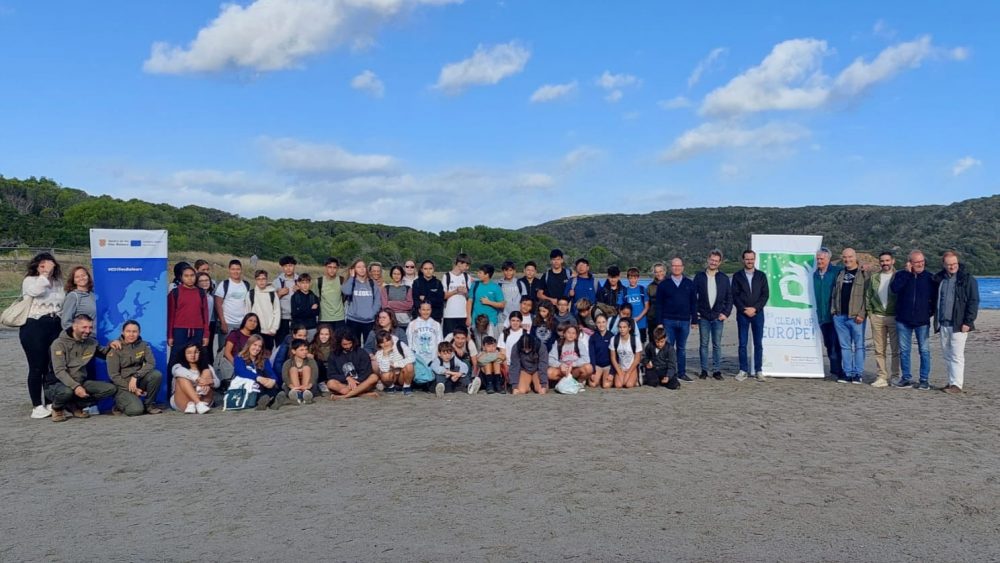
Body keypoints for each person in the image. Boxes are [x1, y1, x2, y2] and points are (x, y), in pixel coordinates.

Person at [45, 314, 118, 422]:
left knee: (110, 389)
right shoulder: (59, 344)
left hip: (81, 381)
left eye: (90, 327)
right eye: (84, 327)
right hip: (58, 383)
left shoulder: (92, 342)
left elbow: (105, 354)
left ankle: (75, 406)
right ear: (74, 327)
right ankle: (57, 408)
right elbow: (59, 371)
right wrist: (76, 387)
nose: (88, 331)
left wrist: (112, 344)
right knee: (66, 392)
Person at [20, 252, 65, 419]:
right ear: (37, 266)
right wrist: (44, 275)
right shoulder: (30, 280)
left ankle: (50, 401)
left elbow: (62, 303)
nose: (47, 268)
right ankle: (36, 405)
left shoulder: (58, 283)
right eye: (42, 265)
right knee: (37, 366)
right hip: (35, 325)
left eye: (50, 265)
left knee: (52, 365)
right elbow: (36, 292)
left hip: (55, 324)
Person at [933, 251, 979, 394]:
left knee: (957, 355)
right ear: (944, 265)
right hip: (943, 323)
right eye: (949, 264)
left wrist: (968, 321)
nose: (952, 267)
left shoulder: (967, 279)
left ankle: (957, 385)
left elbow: (973, 301)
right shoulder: (940, 279)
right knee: (947, 354)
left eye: (954, 264)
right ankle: (951, 381)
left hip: (959, 324)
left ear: (957, 263)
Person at [890, 250, 935, 390]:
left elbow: (935, 299)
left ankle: (924, 380)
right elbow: (894, 289)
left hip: (922, 321)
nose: (920, 264)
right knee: (904, 350)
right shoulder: (901, 275)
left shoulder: (930, 278)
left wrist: (928, 313)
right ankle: (906, 378)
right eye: (917, 262)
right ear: (910, 263)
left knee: (924, 350)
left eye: (922, 261)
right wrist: (908, 274)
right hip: (903, 320)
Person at [107, 320, 163, 416]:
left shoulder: (144, 345)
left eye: (134, 331)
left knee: (156, 375)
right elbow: (114, 376)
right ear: (122, 332)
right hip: (122, 385)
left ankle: (149, 405)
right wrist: (133, 389)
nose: (131, 334)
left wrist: (136, 376)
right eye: (128, 331)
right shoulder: (116, 347)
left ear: (139, 333)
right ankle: (119, 404)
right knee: (135, 411)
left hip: (137, 380)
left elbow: (151, 363)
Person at [831, 248, 870, 385]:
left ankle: (857, 374)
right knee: (845, 346)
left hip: (856, 317)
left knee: (859, 346)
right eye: (845, 257)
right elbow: (835, 293)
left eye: (850, 257)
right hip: (840, 316)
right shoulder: (840, 273)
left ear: (855, 257)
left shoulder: (863, 274)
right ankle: (847, 373)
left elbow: (867, 296)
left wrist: (862, 313)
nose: (848, 260)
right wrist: (834, 311)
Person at [657, 257, 697, 382]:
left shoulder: (689, 283)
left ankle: (682, 372)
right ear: (671, 267)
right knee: (669, 348)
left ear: (683, 267)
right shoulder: (664, 284)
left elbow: (694, 303)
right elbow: (659, 304)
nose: (676, 268)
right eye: (674, 265)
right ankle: (669, 373)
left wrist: (695, 320)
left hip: (685, 321)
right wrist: (659, 323)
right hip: (668, 320)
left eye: (679, 266)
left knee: (682, 348)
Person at [693, 250, 732, 380]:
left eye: (716, 260)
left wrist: (725, 313)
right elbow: (693, 296)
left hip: (718, 317)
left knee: (716, 345)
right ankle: (704, 370)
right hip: (703, 316)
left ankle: (716, 370)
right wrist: (695, 312)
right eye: (712, 260)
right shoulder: (699, 277)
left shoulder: (724, 278)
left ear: (719, 262)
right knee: (703, 344)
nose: (713, 262)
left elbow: (729, 298)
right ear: (708, 260)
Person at [732, 250, 769, 381]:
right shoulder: (737, 276)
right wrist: (743, 309)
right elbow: (734, 295)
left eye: (752, 259)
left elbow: (765, 295)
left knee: (758, 343)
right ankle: (743, 370)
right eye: (747, 259)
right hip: (743, 314)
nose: (749, 261)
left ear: (755, 259)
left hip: (757, 314)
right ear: (743, 260)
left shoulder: (761, 276)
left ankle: (758, 370)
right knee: (742, 343)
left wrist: (755, 308)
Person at [865, 251, 899, 388]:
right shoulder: (874, 278)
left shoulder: (898, 277)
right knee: (879, 350)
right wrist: (870, 313)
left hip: (894, 317)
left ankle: (895, 376)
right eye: (882, 261)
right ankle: (881, 376)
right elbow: (868, 296)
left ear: (893, 261)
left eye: (887, 260)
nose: (885, 263)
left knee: (896, 350)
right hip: (877, 317)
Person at [813, 247, 845, 380]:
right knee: (828, 344)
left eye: (822, 258)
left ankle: (838, 371)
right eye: (818, 258)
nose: (819, 261)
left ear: (828, 259)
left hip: (834, 315)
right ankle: (836, 370)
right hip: (821, 316)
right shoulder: (815, 274)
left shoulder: (837, 272)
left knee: (835, 345)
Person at [232, 334, 285, 410]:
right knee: (258, 373)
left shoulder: (264, 359)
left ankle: (269, 401)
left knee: (267, 376)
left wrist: (273, 380)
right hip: (247, 385)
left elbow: (271, 372)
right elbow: (241, 371)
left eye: (259, 346)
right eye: (255, 345)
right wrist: (258, 378)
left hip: (263, 385)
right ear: (249, 345)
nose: (257, 348)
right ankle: (269, 401)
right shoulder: (239, 357)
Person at [168, 264, 210, 354]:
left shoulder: (201, 292)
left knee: (196, 358)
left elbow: (205, 315)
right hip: (179, 330)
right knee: (176, 358)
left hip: (198, 331)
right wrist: (170, 335)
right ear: (181, 277)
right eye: (186, 276)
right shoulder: (175, 292)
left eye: (192, 275)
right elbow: (171, 316)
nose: (190, 278)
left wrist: (206, 334)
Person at [326, 329, 379, 399]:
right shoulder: (334, 355)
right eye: (345, 344)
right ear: (339, 343)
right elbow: (331, 374)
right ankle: (360, 394)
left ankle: (345, 396)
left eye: (350, 343)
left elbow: (366, 372)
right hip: (344, 384)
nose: (348, 346)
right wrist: (347, 378)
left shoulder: (361, 352)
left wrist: (356, 382)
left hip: (361, 383)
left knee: (374, 377)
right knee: (330, 383)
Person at [170, 343, 218, 414]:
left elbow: (218, 383)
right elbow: (178, 372)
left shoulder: (207, 366)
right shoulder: (178, 366)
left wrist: (209, 382)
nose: (193, 355)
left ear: (200, 353)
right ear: (184, 354)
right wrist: (198, 379)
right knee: (181, 378)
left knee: (207, 371)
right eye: (189, 353)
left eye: (196, 352)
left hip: (203, 397)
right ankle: (198, 403)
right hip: (183, 400)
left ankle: (196, 404)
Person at [342, 259, 384, 341]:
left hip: (369, 321)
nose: (362, 269)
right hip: (353, 320)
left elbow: (377, 301)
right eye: (358, 267)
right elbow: (346, 291)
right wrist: (351, 277)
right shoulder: (351, 282)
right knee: (353, 345)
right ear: (354, 269)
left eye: (363, 267)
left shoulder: (372, 283)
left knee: (369, 346)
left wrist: (372, 313)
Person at [214, 260, 251, 350]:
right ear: (229, 270)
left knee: (240, 349)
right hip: (227, 323)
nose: (235, 271)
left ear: (241, 270)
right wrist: (223, 322)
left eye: (238, 269)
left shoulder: (246, 285)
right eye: (233, 269)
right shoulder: (224, 284)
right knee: (224, 349)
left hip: (241, 324)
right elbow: (218, 303)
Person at [407, 302, 444, 393]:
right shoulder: (412, 324)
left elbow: (440, 341)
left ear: (431, 310)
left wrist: (439, 356)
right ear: (419, 310)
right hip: (418, 358)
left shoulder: (436, 324)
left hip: (432, 357)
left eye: (428, 309)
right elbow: (409, 342)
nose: (426, 312)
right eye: (423, 309)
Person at [249, 269, 281, 351]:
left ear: (267, 280)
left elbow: (277, 312)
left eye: (263, 279)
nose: (261, 281)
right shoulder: (251, 294)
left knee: (267, 354)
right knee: (254, 352)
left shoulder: (272, 293)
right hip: (255, 330)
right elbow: (248, 312)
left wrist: (274, 328)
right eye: (258, 279)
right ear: (255, 280)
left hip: (268, 331)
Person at [467, 264, 505, 331]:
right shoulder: (475, 285)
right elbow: (469, 301)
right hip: (475, 321)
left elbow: (502, 305)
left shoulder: (496, 287)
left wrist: (489, 302)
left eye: (480, 273)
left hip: (491, 322)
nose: (478, 274)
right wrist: (469, 317)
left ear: (487, 275)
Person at [442, 254, 473, 335]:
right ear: (459, 264)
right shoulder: (446, 276)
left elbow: (470, 298)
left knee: (462, 338)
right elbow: (443, 296)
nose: (467, 268)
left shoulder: (467, 277)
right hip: (449, 315)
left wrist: (466, 292)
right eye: (466, 265)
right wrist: (455, 291)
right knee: (449, 338)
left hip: (463, 314)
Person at [282, 338, 317, 404]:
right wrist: (292, 387)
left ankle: (305, 394)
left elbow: (314, 374)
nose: (305, 352)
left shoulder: (310, 361)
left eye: (306, 349)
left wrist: (308, 386)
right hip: (294, 386)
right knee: (293, 369)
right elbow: (285, 377)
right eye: (301, 350)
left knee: (306, 368)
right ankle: (298, 394)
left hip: (307, 386)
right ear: (294, 351)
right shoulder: (288, 363)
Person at [60, 266, 95, 330]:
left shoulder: (93, 295)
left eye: (83, 275)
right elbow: (66, 322)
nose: (81, 278)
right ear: (74, 281)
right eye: (77, 277)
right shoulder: (73, 296)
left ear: (88, 276)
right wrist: (76, 335)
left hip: (98, 336)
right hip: (85, 337)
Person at [610, 318, 642, 389]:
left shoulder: (635, 340)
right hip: (620, 367)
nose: (622, 329)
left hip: (632, 367)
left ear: (629, 328)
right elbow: (613, 358)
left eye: (624, 327)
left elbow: (637, 359)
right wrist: (619, 372)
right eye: (620, 327)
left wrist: (628, 373)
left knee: (629, 385)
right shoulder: (614, 339)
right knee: (618, 385)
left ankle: (636, 377)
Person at [273, 256, 298, 344]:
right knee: (281, 344)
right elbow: (270, 301)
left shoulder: (300, 280)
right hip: (281, 318)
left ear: (294, 266)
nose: (288, 268)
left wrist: (300, 291)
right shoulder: (276, 282)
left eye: (290, 265)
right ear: (282, 267)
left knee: (296, 344)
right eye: (285, 266)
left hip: (296, 318)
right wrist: (279, 294)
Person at [317, 257, 346, 331]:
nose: (332, 270)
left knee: (339, 341)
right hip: (324, 318)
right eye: (329, 267)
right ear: (325, 267)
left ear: (337, 268)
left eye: (334, 267)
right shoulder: (319, 281)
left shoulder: (341, 280)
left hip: (339, 318)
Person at [623, 267, 650, 343]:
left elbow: (647, 306)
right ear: (628, 278)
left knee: (641, 344)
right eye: (630, 278)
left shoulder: (642, 289)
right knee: (630, 344)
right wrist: (628, 319)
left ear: (638, 278)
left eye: (635, 278)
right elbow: (621, 308)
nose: (633, 280)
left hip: (642, 324)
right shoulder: (624, 291)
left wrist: (638, 318)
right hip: (629, 324)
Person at [290, 273, 320, 341]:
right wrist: (310, 309)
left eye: (307, 282)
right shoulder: (294, 297)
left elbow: (317, 313)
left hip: (311, 327)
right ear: (298, 284)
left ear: (310, 283)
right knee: (298, 347)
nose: (305, 285)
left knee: (311, 347)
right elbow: (295, 314)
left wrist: (301, 310)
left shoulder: (314, 297)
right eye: (303, 283)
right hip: (298, 328)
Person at [196, 272, 217, 364]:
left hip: (206, 328)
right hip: (196, 329)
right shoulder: (195, 296)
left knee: (207, 351)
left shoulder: (210, 297)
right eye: (201, 281)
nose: (205, 282)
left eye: (207, 280)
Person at [588, 314, 613, 388]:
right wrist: (593, 371)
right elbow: (592, 355)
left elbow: (615, 357)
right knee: (592, 384)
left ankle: (605, 378)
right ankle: (599, 377)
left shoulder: (612, 336)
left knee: (606, 386)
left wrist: (612, 373)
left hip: (608, 366)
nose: (601, 324)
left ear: (606, 322)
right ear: (595, 323)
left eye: (603, 322)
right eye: (598, 322)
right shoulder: (593, 337)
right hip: (597, 366)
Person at [645, 262, 667, 344]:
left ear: (664, 271)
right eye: (656, 272)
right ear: (654, 273)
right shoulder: (650, 287)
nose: (659, 274)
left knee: (665, 343)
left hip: (667, 319)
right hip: (652, 319)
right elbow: (647, 304)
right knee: (652, 342)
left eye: (660, 271)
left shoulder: (670, 284)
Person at [310, 324, 334, 390]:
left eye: (326, 334)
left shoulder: (334, 346)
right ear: (318, 335)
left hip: (331, 369)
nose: (324, 336)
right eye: (322, 334)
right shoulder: (313, 346)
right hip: (319, 370)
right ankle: (320, 383)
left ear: (330, 335)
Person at [497, 260, 521, 327]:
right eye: (506, 270)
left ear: (514, 271)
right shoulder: (499, 284)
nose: (508, 273)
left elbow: (524, 300)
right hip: (502, 318)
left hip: (517, 317)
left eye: (510, 270)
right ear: (503, 271)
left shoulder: (520, 283)